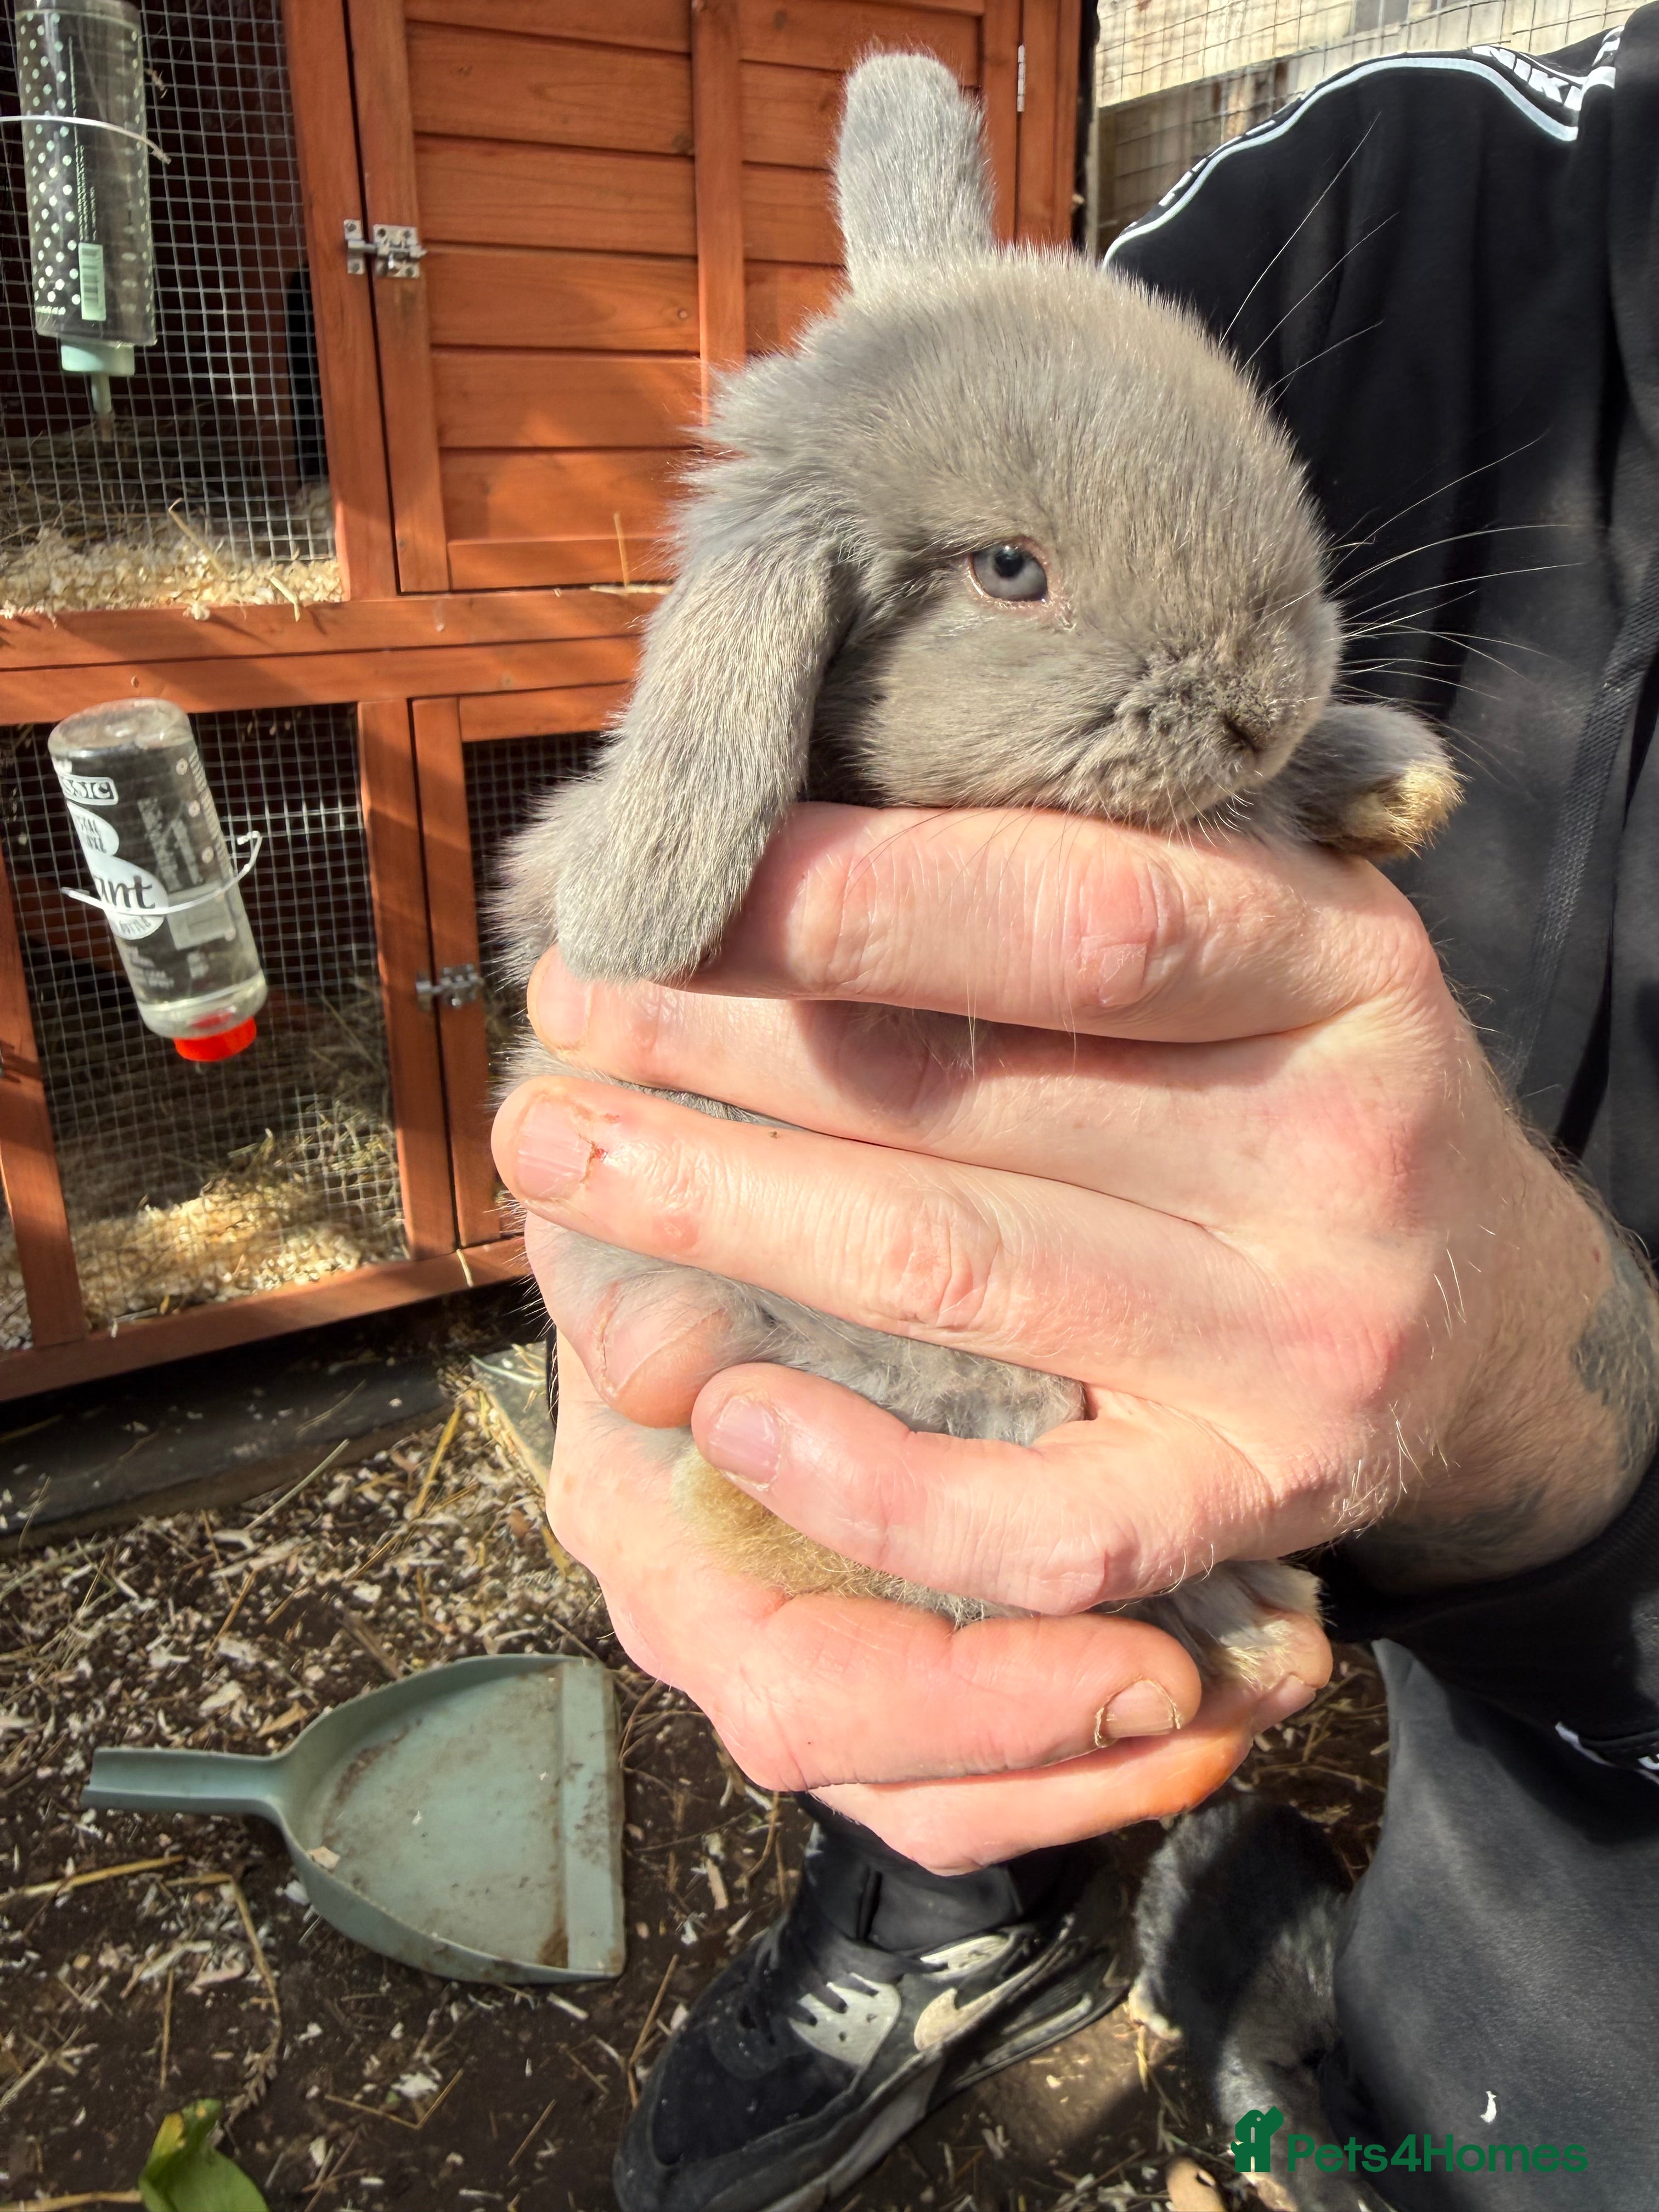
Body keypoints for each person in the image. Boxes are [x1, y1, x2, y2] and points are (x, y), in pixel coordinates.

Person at [490, 12, 1659, 2209]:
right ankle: (955, 1884)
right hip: (869, 1367)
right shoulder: (1390, 193)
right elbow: (624, 938)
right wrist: (617, 1274)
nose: (1255, 687)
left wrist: (1536, 1387)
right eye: (1018, 579)